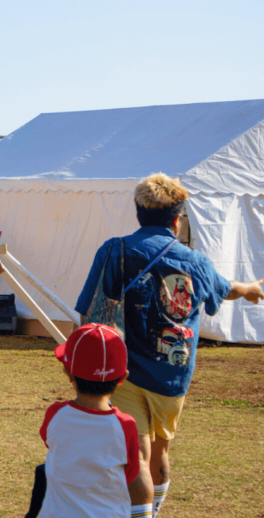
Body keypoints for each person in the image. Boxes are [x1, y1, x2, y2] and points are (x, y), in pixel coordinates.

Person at [75, 173, 264, 516]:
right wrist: (252, 288)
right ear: (177, 219)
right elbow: (226, 288)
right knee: (160, 451)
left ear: (138, 214)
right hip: (174, 373)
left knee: (138, 454)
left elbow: (87, 309)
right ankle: (154, 509)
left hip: (125, 370)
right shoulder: (194, 261)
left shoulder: (113, 249)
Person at [25, 323, 144, 518]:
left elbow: (49, 441)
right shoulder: (126, 425)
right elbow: (130, 474)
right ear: (122, 378)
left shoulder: (55, 414)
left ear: (68, 372)